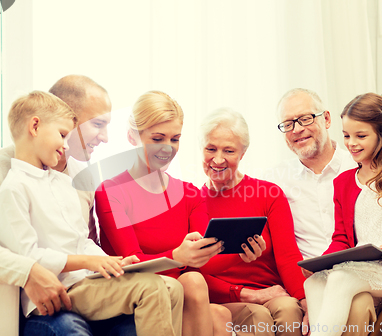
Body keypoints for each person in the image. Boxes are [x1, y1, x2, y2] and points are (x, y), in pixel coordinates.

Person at [0, 75, 137, 336]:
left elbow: (84, 243)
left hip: (83, 294)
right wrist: (28, 271)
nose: (106, 137)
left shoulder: (82, 178)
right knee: (69, 329)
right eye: (98, 124)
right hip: (38, 309)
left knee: (135, 326)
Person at [0, 90, 182, 336]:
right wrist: (89, 262)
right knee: (153, 287)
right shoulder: (14, 188)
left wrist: (112, 262)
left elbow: (81, 241)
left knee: (173, 288)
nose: (66, 144)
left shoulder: (63, 182)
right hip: (60, 289)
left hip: (86, 283)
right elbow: (27, 258)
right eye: (62, 135)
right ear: (35, 127)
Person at [266, 88, 382, 336]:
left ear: (381, 133)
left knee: (340, 280)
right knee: (314, 281)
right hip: (363, 265)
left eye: (361, 135)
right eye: (347, 136)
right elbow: (342, 238)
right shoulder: (344, 181)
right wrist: (319, 263)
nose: (352, 143)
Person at [96, 91, 265, 336]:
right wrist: (177, 257)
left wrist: (242, 252)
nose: (168, 148)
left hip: (185, 294)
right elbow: (131, 261)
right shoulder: (111, 191)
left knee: (219, 312)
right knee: (199, 289)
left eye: (175, 139)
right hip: (136, 293)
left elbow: (204, 257)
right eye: (157, 138)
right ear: (132, 136)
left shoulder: (189, 193)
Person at [198, 107, 309, 336]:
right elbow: (192, 272)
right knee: (257, 317)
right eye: (211, 149)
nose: (218, 159)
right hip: (224, 298)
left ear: (242, 153)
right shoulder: (192, 203)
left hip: (273, 291)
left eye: (228, 151)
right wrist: (244, 293)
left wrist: (305, 300)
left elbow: (288, 257)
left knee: (289, 309)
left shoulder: (269, 194)